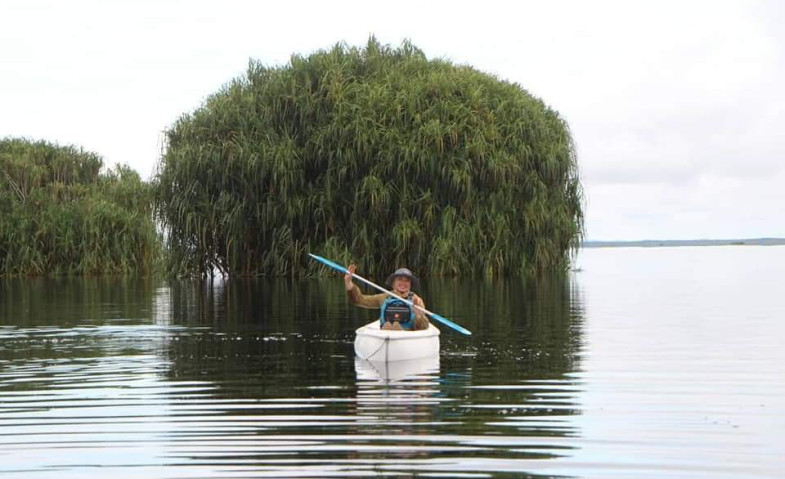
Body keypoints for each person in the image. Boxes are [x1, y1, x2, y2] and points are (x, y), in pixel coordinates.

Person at [344, 265, 429, 331]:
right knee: (388, 325)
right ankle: (389, 331)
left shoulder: (416, 300)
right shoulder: (384, 297)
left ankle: (396, 330)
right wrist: (348, 282)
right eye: (400, 279)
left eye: (406, 281)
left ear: (410, 284)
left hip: (407, 334)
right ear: (393, 283)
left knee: (396, 326)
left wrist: (419, 315)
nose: (403, 283)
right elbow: (359, 300)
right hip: (385, 331)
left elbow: (423, 327)